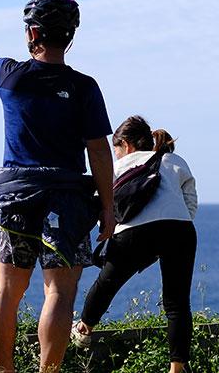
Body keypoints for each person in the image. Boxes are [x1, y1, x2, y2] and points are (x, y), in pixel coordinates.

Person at [0, 0, 116, 373]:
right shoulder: (85, 87)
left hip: (16, 195)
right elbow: (99, 151)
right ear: (70, 34)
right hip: (67, 199)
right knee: (59, 290)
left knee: (8, 290)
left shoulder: (10, 76)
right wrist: (108, 206)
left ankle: (5, 371)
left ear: (33, 32)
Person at [75, 116, 198, 373]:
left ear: (127, 145)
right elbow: (190, 198)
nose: (115, 155)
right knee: (177, 303)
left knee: (107, 282)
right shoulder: (173, 160)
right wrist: (176, 220)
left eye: (115, 149)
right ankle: (177, 366)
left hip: (134, 233)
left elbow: (104, 208)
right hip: (180, 229)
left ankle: (84, 327)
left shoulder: (117, 168)